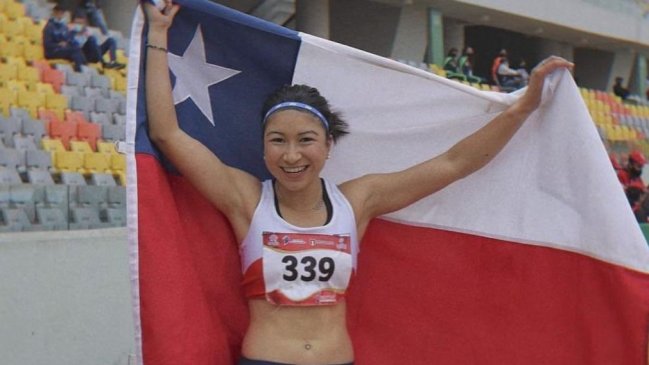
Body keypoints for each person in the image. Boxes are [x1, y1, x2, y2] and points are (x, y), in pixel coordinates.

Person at [143, 2, 573, 364]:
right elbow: (168, 134)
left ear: (328, 145)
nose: (292, 155)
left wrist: (521, 109)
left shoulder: (358, 200)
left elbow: (454, 163)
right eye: (278, 141)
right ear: (263, 148)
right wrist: (158, 36)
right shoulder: (246, 199)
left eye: (305, 140)